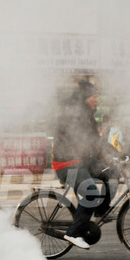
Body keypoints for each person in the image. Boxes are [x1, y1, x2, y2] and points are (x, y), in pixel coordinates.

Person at [51, 80, 119, 249]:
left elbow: (95, 140)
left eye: (97, 96)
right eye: (94, 96)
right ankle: (73, 233)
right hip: (68, 163)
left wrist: (117, 154)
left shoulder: (87, 114)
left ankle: (100, 210)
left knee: (112, 173)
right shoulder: (74, 115)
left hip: (81, 159)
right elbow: (87, 142)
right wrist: (104, 154)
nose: (97, 99)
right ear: (84, 97)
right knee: (91, 193)